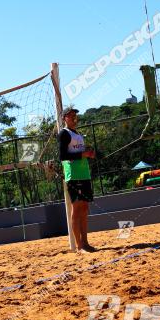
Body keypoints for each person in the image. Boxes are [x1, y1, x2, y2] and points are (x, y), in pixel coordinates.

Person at [58, 107, 96, 253]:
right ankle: (80, 246)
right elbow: (63, 156)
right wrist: (83, 155)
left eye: (75, 115)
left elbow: (80, 153)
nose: (74, 117)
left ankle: (86, 243)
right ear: (64, 118)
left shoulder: (78, 134)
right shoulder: (64, 133)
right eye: (70, 115)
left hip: (84, 174)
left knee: (85, 208)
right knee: (77, 208)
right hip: (73, 176)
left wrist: (89, 154)